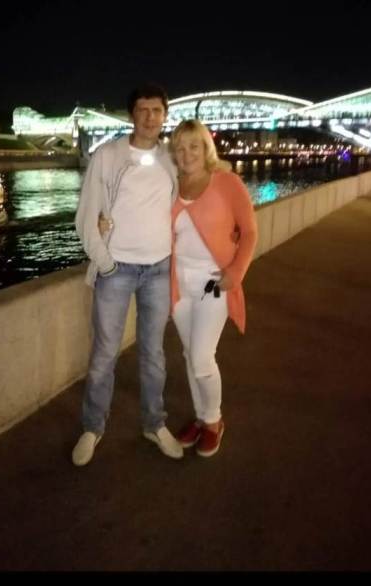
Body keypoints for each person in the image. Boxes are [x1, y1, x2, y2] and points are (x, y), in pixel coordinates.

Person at [72, 84, 183, 466]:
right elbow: (86, 215)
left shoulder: (171, 158)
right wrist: (105, 263)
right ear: (131, 115)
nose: (150, 117)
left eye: (157, 110)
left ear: (165, 116)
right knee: (104, 354)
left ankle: (155, 424)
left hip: (160, 269)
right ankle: (93, 427)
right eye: (143, 110)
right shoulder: (108, 156)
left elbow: (198, 185)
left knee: (154, 354)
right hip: (116, 269)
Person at [169, 120, 258, 457]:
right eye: (180, 147)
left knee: (202, 357)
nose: (187, 153)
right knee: (189, 355)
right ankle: (201, 416)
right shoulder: (171, 185)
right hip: (179, 284)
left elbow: (249, 232)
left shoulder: (226, 182)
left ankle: (213, 421)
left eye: (194, 145)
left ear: (206, 147)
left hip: (213, 283)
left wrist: (236, 271)